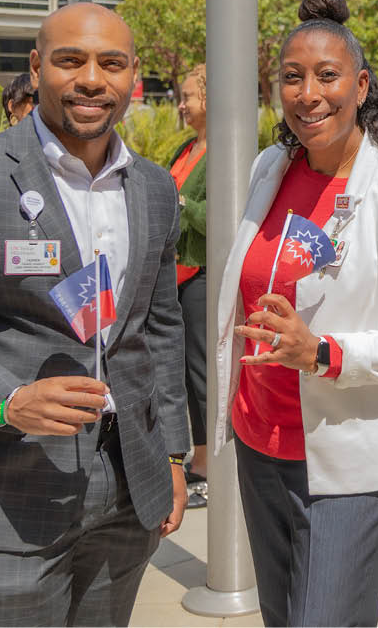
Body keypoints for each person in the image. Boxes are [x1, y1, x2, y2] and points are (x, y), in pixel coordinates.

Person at [0, 2, 189, 626]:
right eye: (71, 60)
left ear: (134, 79)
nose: (92, 79)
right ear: (37, 67)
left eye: (112, 63)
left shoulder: (154, 186)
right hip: (12, 487)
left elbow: (159, 326)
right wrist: (6, 398)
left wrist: (174, 456)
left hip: (129, 486)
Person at [210, 0, 378, 627]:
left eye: (327, 75)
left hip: (352, 459)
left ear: (362, 84)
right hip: (261, 443)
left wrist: (323, 352)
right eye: (292, 77)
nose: (308, 93)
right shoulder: (272, 168)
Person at [171, 64, 210, 509]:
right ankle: (194, 457)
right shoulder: (187, 149)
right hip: (177, 275)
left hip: (201, 275)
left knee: (200, 374)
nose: (181, 105)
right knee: (182, 373)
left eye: (188, 97)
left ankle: (206, 465)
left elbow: (219, 215)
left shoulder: (224, 154)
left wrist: (180, 202)